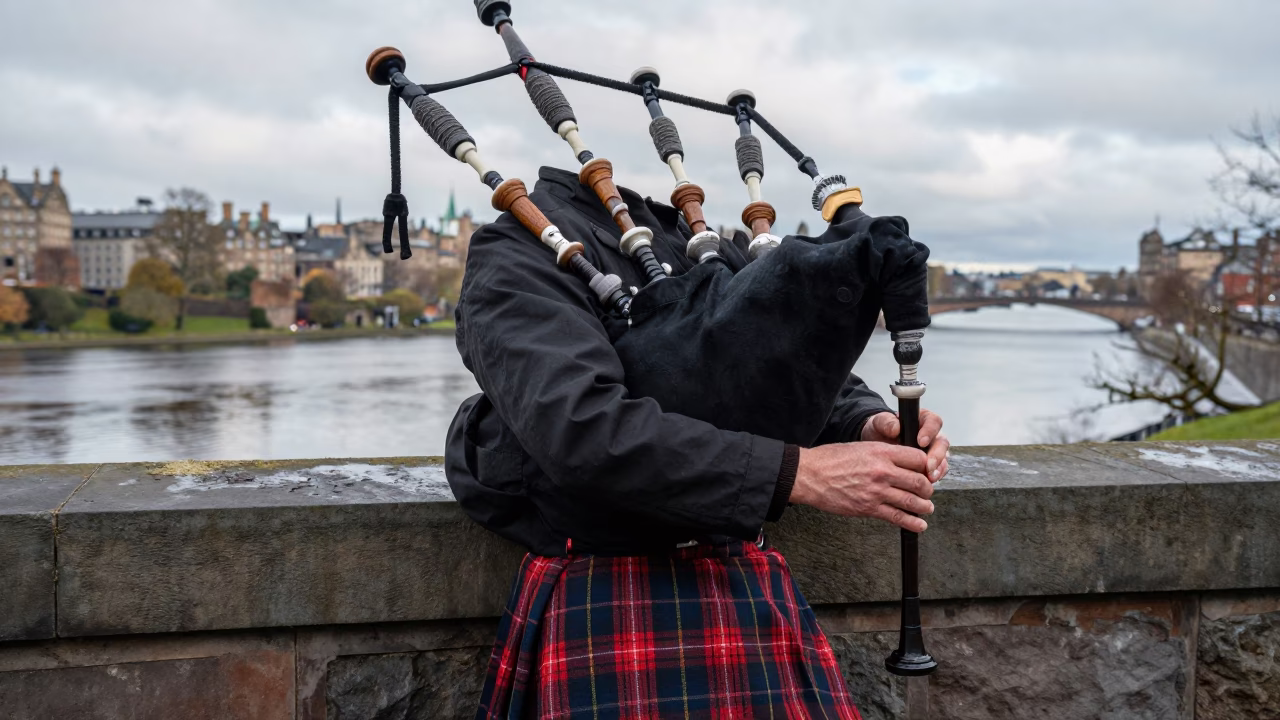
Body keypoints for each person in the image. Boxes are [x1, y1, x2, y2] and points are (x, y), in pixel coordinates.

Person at [445, 166, 950, 719]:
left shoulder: (689, 243)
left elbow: (770, 364)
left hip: (739, 573)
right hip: (608, 590)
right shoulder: (515, 251)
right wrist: (802, 474)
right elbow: (582, 430)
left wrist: (865, 422)